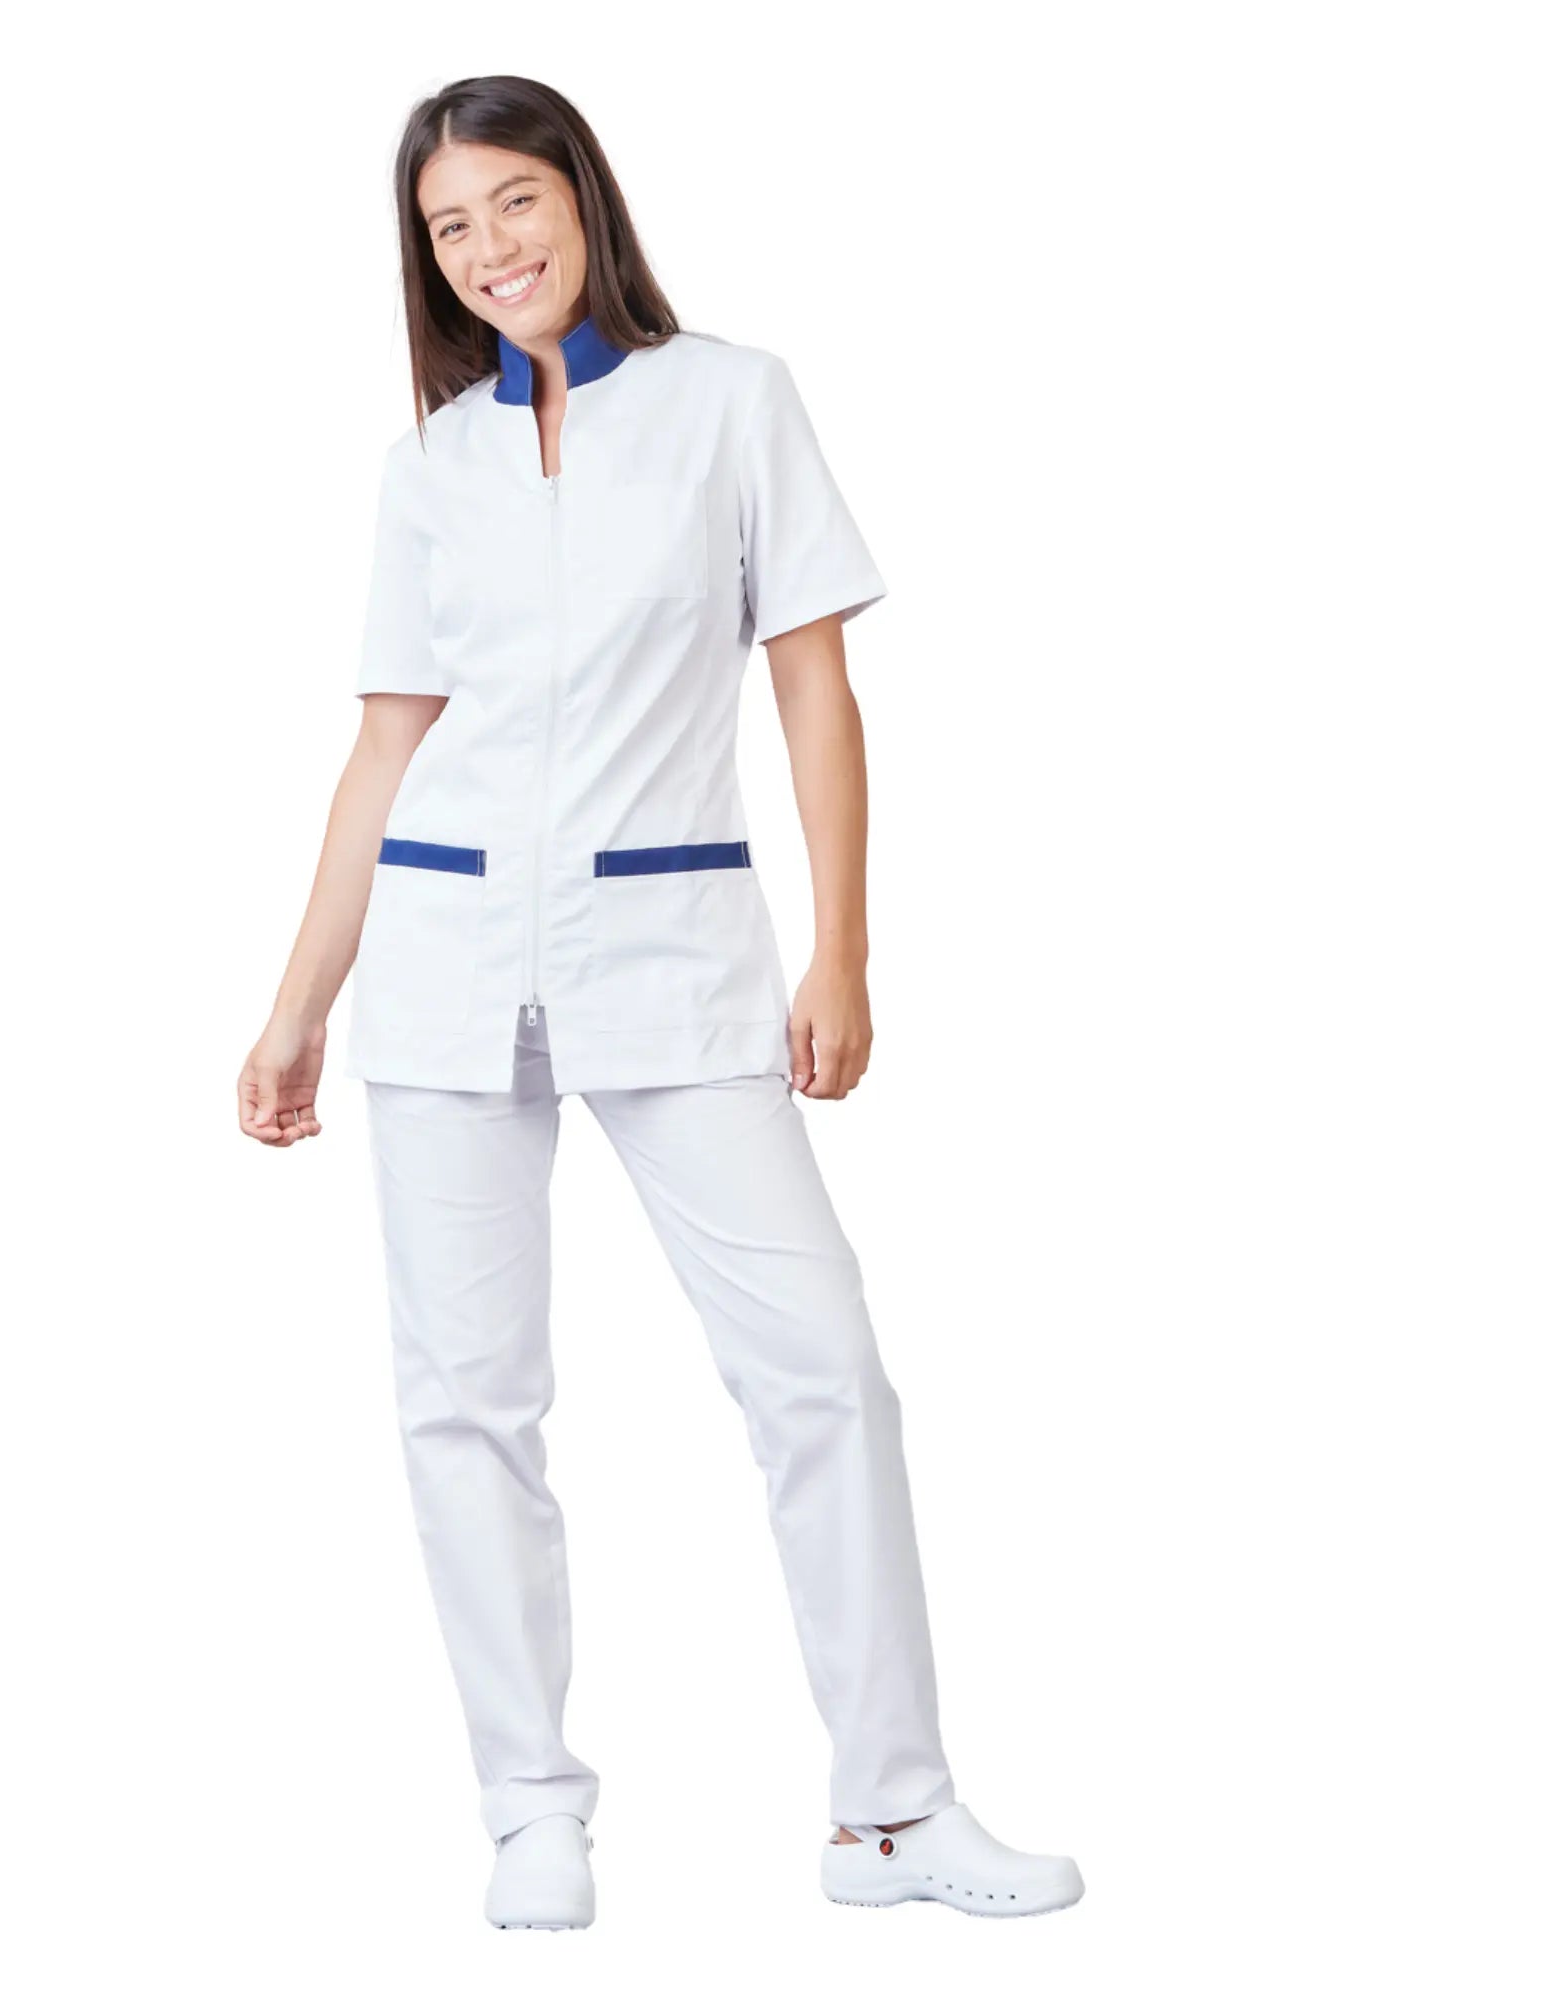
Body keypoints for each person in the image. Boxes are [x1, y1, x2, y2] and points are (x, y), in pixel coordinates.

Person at [237, 74, 1083, 1930]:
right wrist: (300, 1003)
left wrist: (845, 948)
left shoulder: (731, 403)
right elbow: (384, 749)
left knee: (822, 1372)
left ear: (583, 198)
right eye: (451, 228)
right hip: (445, 970)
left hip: (674, 959)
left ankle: (892, 1815)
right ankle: (529, 1811)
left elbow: (814, 690)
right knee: (466, 1403)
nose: (491, 249)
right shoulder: (429, 467)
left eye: (515, 203)